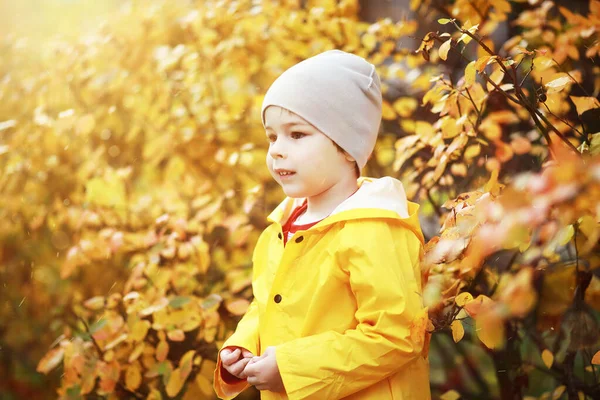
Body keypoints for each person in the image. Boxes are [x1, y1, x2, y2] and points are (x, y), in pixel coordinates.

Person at [213, 49, 431, 400]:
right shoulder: (281, 229)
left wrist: (291, 369)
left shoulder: (373, 228)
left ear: (347, 147)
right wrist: (242, 345)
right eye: (272, 137)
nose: (277, 150)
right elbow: (268, 306)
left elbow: (396, 335)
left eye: (296, 134)